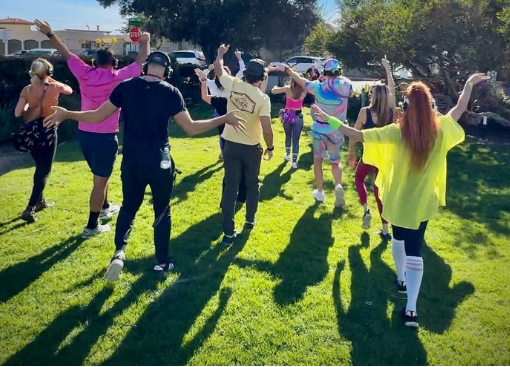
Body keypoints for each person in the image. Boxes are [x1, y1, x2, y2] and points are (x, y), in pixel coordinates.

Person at [46, 50, 241, 281]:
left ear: (146, 66)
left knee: (129, 207)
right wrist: (224, 119)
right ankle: (162, 262)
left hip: (132, 160)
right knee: (162, 210)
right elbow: (191, 128)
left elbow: (98, 116)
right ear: (166, 72)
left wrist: (68, 113)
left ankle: (119, 253)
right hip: (160, 161)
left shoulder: (125, 87)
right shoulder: (171, 92)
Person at [331, 74, 487, 330]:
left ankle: (401, 279)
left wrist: (329, 120)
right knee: (415, 249)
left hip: (397, 200)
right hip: (423, 203)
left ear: (405, 108)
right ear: (430, 106)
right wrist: (468, 85)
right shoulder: (442, 129)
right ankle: (411, 310)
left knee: (398, 239)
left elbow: (356, 135)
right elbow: (459, 107)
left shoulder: (396, 132)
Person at [34, 20, 150, 236]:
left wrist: (50, 33)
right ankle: (91, 226)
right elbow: (141, 61)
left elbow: (66, 53)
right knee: (99, 181)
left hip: (84, 135)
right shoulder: (117, 77)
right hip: (105, 137)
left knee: (100, 177)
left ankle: (105, 207)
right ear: (113, 63)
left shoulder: (84, 73)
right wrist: (146, 42)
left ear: (95, 62)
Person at [213, 45, 273, 243]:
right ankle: (249, 220)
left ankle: (228, 233)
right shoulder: (263, 99)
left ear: (245, 74)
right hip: (251, 148)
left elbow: (218, 69)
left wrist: (221, 54)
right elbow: (266, 128)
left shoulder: (234, 84)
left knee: (230, 187)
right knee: (252, 184)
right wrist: (270, 147)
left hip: (230, 144)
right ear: (262, 78)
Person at [277, 59, 356, 206]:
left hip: (320, 129)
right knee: (335, 161)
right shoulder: (346, 86)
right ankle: (338, 184)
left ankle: (320, 192)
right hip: (337, 129)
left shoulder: (317, 87)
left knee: (318, 161)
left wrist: (287, 69)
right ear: (338, 72)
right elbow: (343, 79)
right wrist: (335, 76)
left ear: (325, 72)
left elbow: (299, 79)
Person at [14, 57, 72, 224]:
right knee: (44, 171)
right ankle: (30, 207)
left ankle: (40, 201)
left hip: (32, 132)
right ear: (48, 72)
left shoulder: (27, 89)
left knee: (39, 168)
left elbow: (18, 112)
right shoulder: (54, 86)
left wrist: (29, 107)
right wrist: (51, 80)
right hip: (47, 130)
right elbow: (69, 90)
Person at [348, 61, 395, 240]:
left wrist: (351, 152)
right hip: (385, 158)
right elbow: (391, 89)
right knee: (379, 190)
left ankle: (366, 210)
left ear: (373, 97)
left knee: (359, 179)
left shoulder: (365, 112)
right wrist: (388, 70)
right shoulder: (390, 112)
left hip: (368, 156)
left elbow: (353, 133)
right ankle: (385, 230)